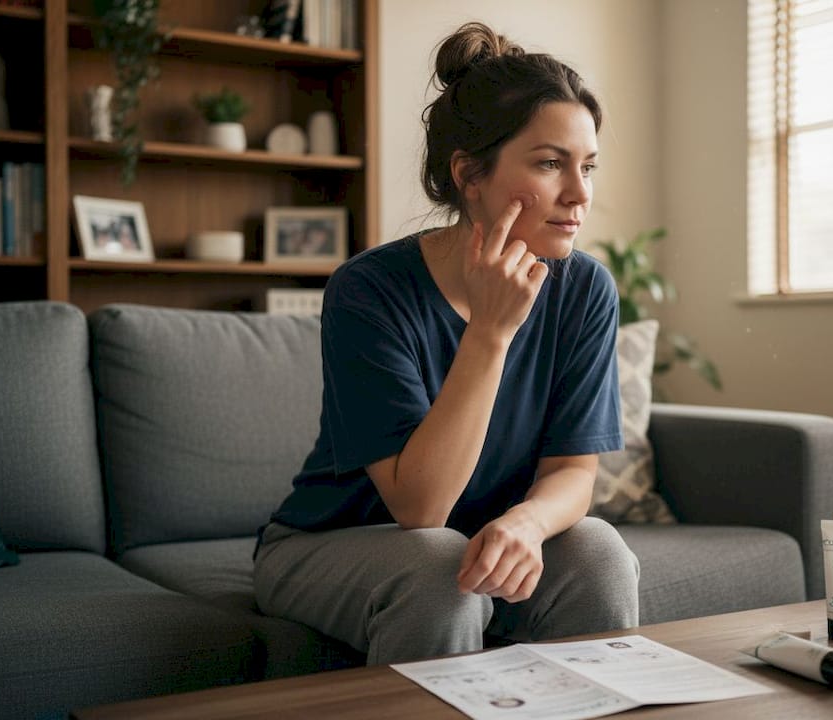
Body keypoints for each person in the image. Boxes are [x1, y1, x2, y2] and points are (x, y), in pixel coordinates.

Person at [253, 21, 640, 666]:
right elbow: (421, 506)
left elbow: (574, 473)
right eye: (550, 163)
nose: (579, 194)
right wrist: (490, 332)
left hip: (480, 541)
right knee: (438, 571)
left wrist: (528, 522)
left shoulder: (585, 288)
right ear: (469, 174)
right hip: (334, 541)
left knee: (599, 551)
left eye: (588, 166)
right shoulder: (368, 290)